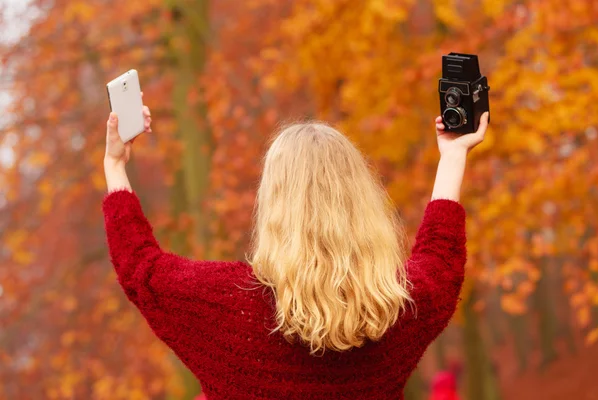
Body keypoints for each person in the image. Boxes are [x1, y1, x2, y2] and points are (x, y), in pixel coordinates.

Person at [102, 97, 488, 399]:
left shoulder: (224, 302)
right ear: (359, 197)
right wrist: (453, 155)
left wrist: (115, 166)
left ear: (272, 200)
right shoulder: (395, 306)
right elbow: (441, 261)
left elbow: (140, 267)